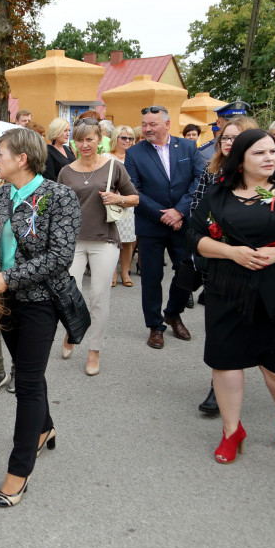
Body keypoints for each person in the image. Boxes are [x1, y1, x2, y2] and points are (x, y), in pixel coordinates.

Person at [188, 129, 275, 462]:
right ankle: (231, 430)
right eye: (259, 153)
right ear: (240, 160)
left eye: (273, 151)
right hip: (229, 288)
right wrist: (232, 252)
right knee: (225, 362)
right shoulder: (219, 191)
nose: (270, 158)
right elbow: (193, 235)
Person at [0, 128, 80, 509]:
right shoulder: (1, 194)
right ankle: (45, 428)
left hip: (40, 301)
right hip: (4, 301)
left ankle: (18, 470)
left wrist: (8, 278)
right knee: (28, 371)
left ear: (21, 158)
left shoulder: (60, 197)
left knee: (25, 380)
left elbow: (60, 257)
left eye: (0, 153)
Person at [188, 115, 259, 415]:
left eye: (235, 138)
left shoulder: (270, 176)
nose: (229, 143)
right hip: (217, 261)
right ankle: (219, 384)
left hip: (256, 263)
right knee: (219, 326)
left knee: (249, 326)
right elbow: (196, 209)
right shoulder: (211, 171)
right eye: (225, 138)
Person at [57, 118, 139, 376]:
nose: (84, 145)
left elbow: (135, 198)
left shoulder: (114, 166)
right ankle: (73, 331)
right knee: (70, 296)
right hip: (73, 241)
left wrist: (119, 198)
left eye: (89, 139)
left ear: (99, 140)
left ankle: (94, 350)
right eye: (79, 140)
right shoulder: (66, 171)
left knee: (99, 297)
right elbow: (58, 207)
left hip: (105, 238)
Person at [125, 105, 203, 349]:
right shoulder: (135, 153)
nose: (147, 129)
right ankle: (154, 326)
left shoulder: (188, 147)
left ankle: (173, 313)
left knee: (187, 271)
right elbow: (133, 190)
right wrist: (164, 215)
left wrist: (179, 210)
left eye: (153, 124)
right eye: (144, 124)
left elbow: (199, 180)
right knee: (151, 277)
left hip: (184, 223)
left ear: (167, 124)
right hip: (151, 224)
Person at [106, 125, 138, 287]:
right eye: (124, 137)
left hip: (129, 201)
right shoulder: (106, 156)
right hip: (111, 201)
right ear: (115, 139)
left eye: (130, 138)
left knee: (128, 239)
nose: (127, 141)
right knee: (112, 239)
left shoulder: (135, 158)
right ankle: (112, 272)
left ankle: (125, 272)